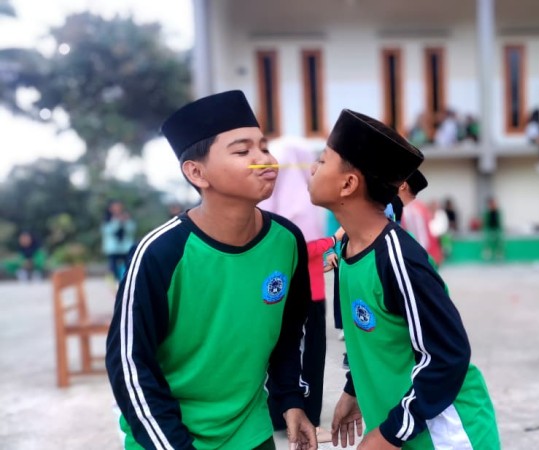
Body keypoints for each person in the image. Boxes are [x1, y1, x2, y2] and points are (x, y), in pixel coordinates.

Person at [105, 90, 317, 450]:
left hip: (251, 432)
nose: (263, 159)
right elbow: (128, 364)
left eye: (264, 147)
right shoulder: (159, 253)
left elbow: (287, 333)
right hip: (169, 437)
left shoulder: (286, 240)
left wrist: (291, 399)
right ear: (196, 172)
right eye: (242, 151)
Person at [308, 109, 500, 449]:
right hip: (403, 429)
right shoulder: (349, 247)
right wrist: (354, 389)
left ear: (348, 184)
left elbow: (447, 356)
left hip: (447, 435)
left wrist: (390, 433)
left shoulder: (399, 258)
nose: (312, 169)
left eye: (322, 161)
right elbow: (378, 338)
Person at [258, 137, 334, 438]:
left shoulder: (270, 201)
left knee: (279, 354)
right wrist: (333, 241)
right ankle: (307, 417)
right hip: (309, 292)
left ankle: (279, 413)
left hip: (276, 295)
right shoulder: (302, 203)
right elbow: (305, 249)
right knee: (308, 356)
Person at [398, 170, 444, 266]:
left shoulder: (409, 209)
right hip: (424, 252)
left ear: (403, 186)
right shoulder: (420, 207)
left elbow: (421, 236)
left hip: (417, 253)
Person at [101, 200, 136, 281]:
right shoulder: (107, 219)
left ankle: (126, 282)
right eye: (115, 207)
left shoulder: (126, 217)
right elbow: (108, 231)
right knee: (113, 269)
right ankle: (114, 283)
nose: (117, 209)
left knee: (128, 268)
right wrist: (117, 221)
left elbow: (131, 230)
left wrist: (126, 221)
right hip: (113, 249)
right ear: (110, 208)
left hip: (126, 248)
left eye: (119, 207)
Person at [482, 197, 504, 262]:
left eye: (493, 203)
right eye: (490, 204)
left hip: (497, 230)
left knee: (498, 243)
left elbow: (499, 222)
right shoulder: (487, 213)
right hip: (489, 230)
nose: (492, 205)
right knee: (487, 243)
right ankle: (487, 255)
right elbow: (485, 222)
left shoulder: (497, 212)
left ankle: (499, 255)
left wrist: (500, 229)